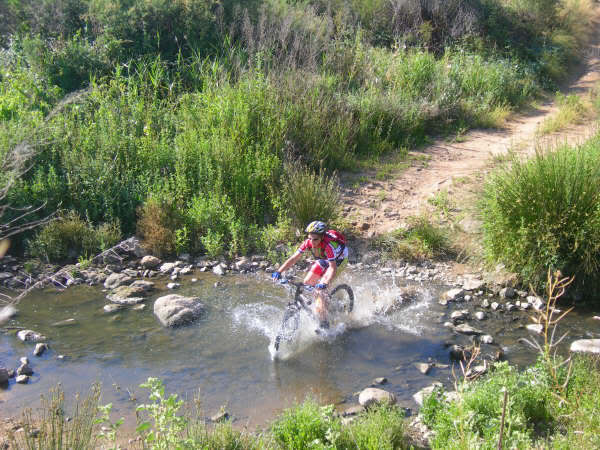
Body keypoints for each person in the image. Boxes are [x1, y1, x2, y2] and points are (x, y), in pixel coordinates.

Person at [271, 221, 349, 329]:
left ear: (322, 237)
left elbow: (332, 268)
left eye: (315, 239)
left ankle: (324, 324)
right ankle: (320, 304)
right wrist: (279, 271)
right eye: (310, 238)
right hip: (324, 258)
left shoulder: (328, 246)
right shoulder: (309, 242)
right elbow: (294, 258)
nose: (312, 242)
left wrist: (324, 283)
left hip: (339, 261)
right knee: (306, 284)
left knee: (320, 291)